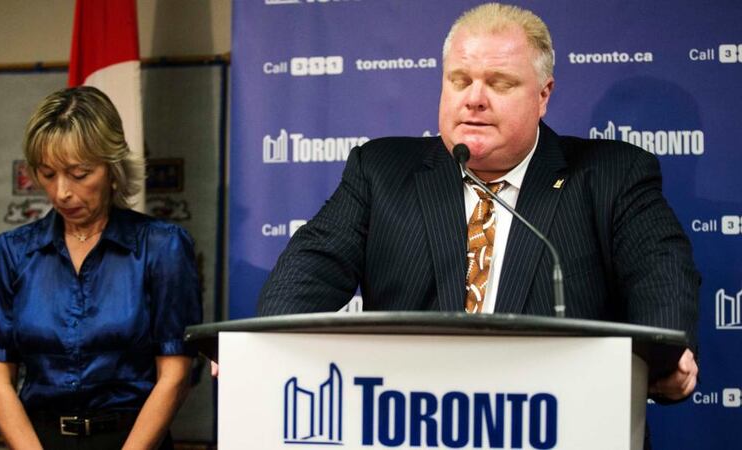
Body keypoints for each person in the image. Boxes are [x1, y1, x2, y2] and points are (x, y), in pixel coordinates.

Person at [258, 3, 699, 403]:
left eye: (499, 83)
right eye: (460, 81)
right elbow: (310, 268)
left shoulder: (611, 175)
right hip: (413, 418)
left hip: (556, 418)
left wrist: (665, 354)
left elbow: (659, 271)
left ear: (543, 95)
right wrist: (258, 349)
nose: (474, 99)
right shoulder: (381, 171)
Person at [0, 86, 202, 449]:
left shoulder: (161, 247)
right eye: (48, 174)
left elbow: (175, 377)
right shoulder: (13, 253)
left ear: (112, 168)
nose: (62, 192)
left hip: (133, 440)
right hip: (38, 440)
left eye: (79, 173)